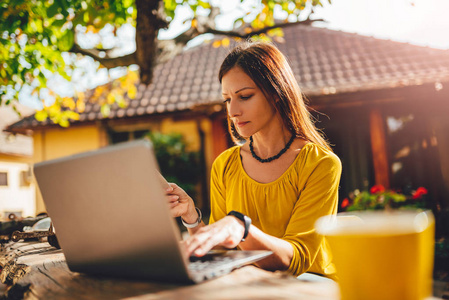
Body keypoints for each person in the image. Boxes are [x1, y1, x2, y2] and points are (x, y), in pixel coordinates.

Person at [166, 41, 342, 279]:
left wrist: (240, 227)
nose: (232, 111)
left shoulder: (320, 164)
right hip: (247, 287)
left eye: (245, 96)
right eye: (227, 99)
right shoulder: (225, 164)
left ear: (276, 93)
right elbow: (220, 252)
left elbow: (296, 259)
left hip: (307, 287)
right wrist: (191, 218)